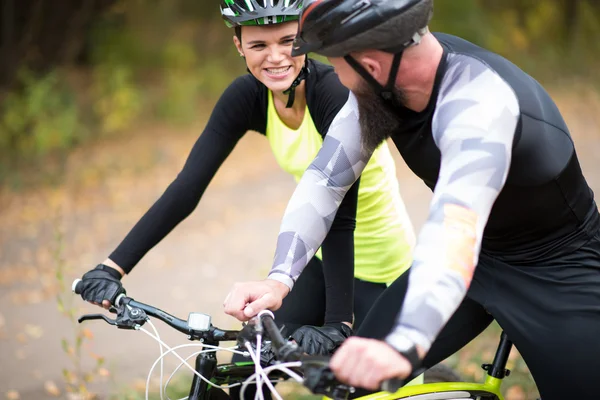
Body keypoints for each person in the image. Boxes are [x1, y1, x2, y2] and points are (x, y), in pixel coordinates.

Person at [222, 1, 600, 399]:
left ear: (370, 65)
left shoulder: (478, 104)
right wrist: (280, 278)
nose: (338, 78)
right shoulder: (386, 82)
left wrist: (408, 342)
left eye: (337, 64)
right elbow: (326, 179)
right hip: (480, 260)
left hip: (559, 268)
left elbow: (456, 226)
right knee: (353, 382)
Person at [75, 0, 416, 367]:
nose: (276, 58)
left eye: (288, 41)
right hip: (314, 261)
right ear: (239, 45)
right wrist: (113, 268)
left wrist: (338, 325)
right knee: (247, 369)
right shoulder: (247, 96)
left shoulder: (334, 94)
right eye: (258, 46)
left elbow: (338, 210)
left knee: (358, 386)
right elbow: (187, 188)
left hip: (384, 269)